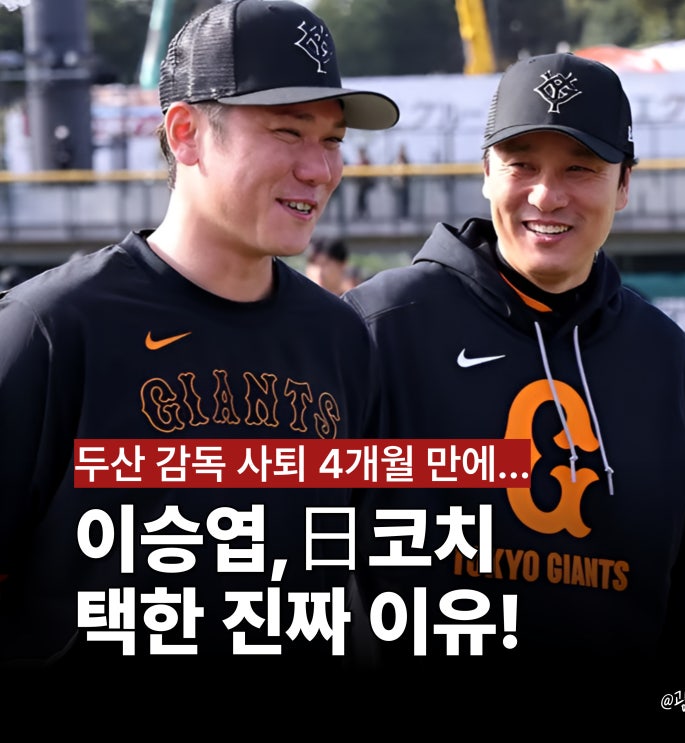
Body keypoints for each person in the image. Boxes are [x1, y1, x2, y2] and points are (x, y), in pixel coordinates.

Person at [0, 0, 398, 670]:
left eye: (331, 140)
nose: (319, 169)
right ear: (185, 133)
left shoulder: (341, 339)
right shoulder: (51, 328)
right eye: (287, 131)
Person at [343, 53, 685, 702]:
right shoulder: (379, 327)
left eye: (580, 168)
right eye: (521, 165)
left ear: (624, 184)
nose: (547, 196)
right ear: (486, 173)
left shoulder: (663, 355)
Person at [390, 143, 411, 220]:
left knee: (405, 201)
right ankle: (397, 216)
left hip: (404, 184)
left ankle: (404, 216)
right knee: (397, 201)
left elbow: (409, 173)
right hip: (397, 184)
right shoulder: (396, 160)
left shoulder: (406, 160)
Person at [354, 145, 375, 219]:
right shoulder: (359, 161)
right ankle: (360, 212)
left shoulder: (366, 161)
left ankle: (363, 212)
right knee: (360, 198)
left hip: (365, 184)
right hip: (360, 184)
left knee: (363, 198)